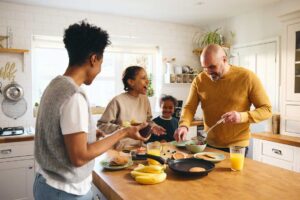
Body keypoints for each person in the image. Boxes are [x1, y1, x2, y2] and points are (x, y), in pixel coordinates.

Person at [34, 21, 149, 200]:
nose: (100, 70)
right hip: (66, 191)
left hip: (45, 183)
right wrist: (124, 132)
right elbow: (80, 157)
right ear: (93, 59)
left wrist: (88, 135)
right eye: (101, 62)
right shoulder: (74, 96)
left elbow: (57, 132)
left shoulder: (55, 85)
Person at [174, 44, 272, 152]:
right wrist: (183, 125)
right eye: (204, 68)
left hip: (237, 146)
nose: (208, 72)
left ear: (224, 59)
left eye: (212, 66)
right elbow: (189, 107)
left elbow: (266, 109)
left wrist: (241, 116)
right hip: (208, 144)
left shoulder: (247, 77)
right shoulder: (199, 80)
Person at [97, 66, 165, 149]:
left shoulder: (145, 99)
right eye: (143, 78)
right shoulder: (117, 101)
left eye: (147, 78)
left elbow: (148, 121)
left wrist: (153, 126)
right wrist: (122, 129)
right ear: (131, 82)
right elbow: (101, 125)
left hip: (138, 148)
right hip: (119, 149)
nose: (147, 81)